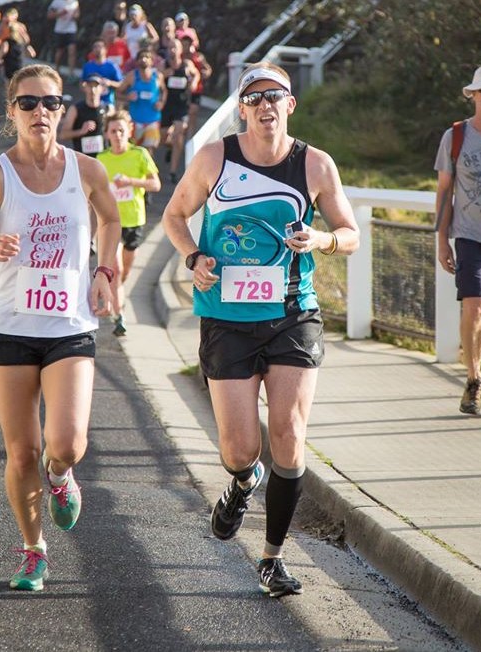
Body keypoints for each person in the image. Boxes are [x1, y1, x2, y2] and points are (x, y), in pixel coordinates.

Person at [162, 62, 359, 597]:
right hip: (226, 317)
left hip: (294, 314)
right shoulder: (214, 158)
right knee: (240, 449)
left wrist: (322, 242)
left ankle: (272, 558)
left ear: (290, 105)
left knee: (290, 439)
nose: (266, 105)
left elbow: (350, 233)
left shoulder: (315, 165)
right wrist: (193, 255)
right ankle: (242, 482)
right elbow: (175, 216)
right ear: (242, 108)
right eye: (255, 98)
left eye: (276, 96)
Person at [0, 64, 121, 591]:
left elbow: (111, 219)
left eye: (51, 103)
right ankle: (33, 550)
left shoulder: (87, 170)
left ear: (62, 109)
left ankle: (61, 476)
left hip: (69, 323)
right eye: (28, 103)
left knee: (66, 443)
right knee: (21, 451)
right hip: (9, 327)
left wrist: (104, 269)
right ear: (12, 111)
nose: (40, 112)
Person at [435, 65, 481, 417]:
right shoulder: (456, 136)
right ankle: (473, 379)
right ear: (472, 95)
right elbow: (444, 192)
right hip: (469, 236)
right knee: (473, 307)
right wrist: (442, 240)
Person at [97, 110, 160, 335]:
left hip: (135, 220)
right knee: (116, 267)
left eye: (121, 130)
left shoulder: (140, 154)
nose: (117, 135)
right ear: (106, 134)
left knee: (124, 273)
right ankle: (119, 316)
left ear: (130, 131)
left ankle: (115, 291)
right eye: (113, 131)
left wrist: (130, 182)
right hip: (109, 223)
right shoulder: (100, 160)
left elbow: (156, 185)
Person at [160, 38, 199, 183]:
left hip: (181, 106)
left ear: (180, 50)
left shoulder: (186, 64)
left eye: (175, 48)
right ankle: (168, 146)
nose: (172, 50)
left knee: (179, 134)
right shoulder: (163, 65)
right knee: (163, 137)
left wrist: (193, 83)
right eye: (170, 48)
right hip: (166, 105)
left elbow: (196, 74)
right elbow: (155, 78)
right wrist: (164, 74)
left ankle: (173, 172)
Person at [118, 47, 166, 158]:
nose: (144, 59)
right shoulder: (131, 76)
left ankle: (148, 174)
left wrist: (161, 102)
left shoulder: (158, 76)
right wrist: (127, 97)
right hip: (135, 121)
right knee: (135, 150)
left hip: (153, 120)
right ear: (137, 61)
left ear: (152, 61)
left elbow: (164, 91)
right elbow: (118, 93)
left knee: (149, 150)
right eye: (141, 57)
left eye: (147, 57)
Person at [59, 75, 108, 157]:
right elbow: (63, 135)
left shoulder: (107, 108)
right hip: (82, 158)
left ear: (102, 89)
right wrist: (81, 131)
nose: (93, 90)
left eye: (96, 86)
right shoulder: (75, 109)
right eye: (90, 86)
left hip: (102, 158)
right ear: (84, 88)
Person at [181, 35, 212, 138]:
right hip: (182, 90)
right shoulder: (179, 57)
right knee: (183, 116)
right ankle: (182, 135)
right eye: (183, 45)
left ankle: (191, 138)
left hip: (196, 90)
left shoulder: (198, 56)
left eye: (187, 45)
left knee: (193, 113)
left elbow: (208, 69)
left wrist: (205, 73)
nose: (185, 47)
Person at [81, 39, 123, 110]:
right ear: (92, 50)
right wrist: (89, 88)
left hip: (108, 102)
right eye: (95, 47)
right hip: (91, 103)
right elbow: (82, 83)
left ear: (105, 49)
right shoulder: (87, 66)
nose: (98, 49)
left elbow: (121, 84)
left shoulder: (112, 66)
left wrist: (110, 83)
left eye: (100, 46)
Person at [47, 0, 79, 80]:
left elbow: (77, 13)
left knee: (72, 51)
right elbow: (49, 15)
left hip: (71, 29)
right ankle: (56, 71)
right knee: (60, 52)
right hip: (60, 30)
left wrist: (75, 16)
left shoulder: (75, 2)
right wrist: (60, 13)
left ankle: (71, 73)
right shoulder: (57, 2)